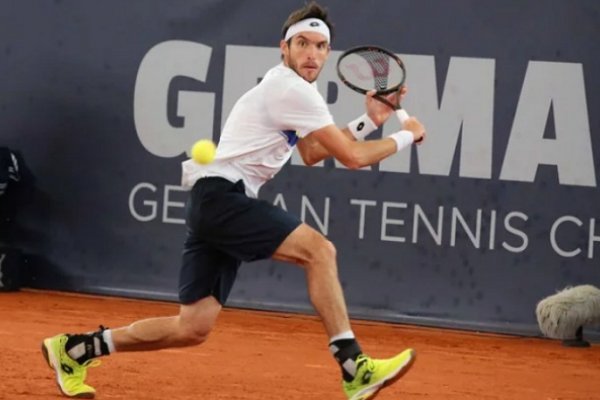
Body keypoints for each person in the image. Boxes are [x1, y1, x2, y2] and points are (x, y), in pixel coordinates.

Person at [41, 2, 426, 399]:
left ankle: (74, 350)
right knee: (319, 251)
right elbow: (351, 157)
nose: (311, 54)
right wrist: (405, 137)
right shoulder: (290, 87)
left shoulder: (293, 90)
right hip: (224, 197)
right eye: (302, 44)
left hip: (213, 202)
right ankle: (353, 366)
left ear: (328, 53)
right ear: (285, 47)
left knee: (191, 327)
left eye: (320, 47)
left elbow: (311, 152)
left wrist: (371, 121)